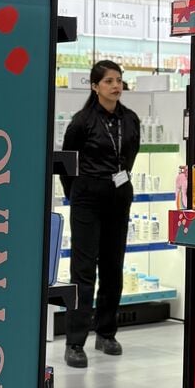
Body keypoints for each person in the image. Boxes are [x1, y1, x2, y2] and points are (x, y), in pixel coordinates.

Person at [60, 61, 140, 368]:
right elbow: (68, 164)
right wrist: (77, 194)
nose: (116, 86)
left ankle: (106, 333)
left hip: (119, 198)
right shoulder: (82, 122)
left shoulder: (130, 119)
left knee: (113, 267)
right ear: (95, 86)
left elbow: (130, 155)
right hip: (87, 200)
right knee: (83, 270)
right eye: (109, 81)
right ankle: (75, 341)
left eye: (119, 80)